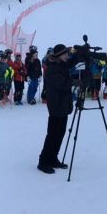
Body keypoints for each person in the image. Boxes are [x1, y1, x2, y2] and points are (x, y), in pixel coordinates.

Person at [38, 44, 72, 174]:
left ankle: (53, 158)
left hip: (63, 105)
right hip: (56, 106)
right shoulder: (52, 68)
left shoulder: (62, 65)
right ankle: (43, 162)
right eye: (65, 54)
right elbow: (62, 84)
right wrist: (76, 82)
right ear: (59, 55)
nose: (67, 56)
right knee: (53, 135)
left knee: (60, 133)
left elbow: (71, 62)